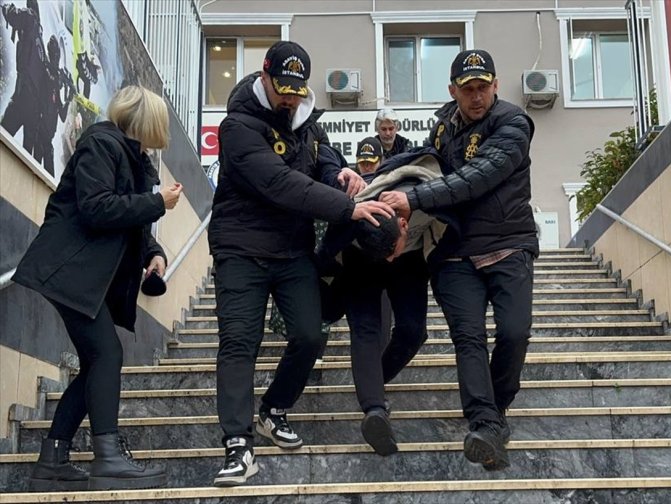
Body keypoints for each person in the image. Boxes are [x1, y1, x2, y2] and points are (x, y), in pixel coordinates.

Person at [208, 40, 392, 487]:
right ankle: (238, 445)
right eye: (282, 88)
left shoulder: (307, 120)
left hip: (292, 249)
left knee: (310, 334)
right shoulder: (236, 126)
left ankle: (273, 409)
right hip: (241, 248)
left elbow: (321, 160)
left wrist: (342, 174)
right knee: (239, 342)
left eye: (296, 89)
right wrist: (345, 208)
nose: (289, 98)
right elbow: (278, 182)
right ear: (264, 77)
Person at [12, 85, 182, 491]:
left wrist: (153, 253)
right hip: (69, 270)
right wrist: (158, 202)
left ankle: (52, 459)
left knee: (97, 362)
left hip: (85, 275)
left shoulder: (134, 159)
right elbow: (97, 207)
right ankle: (107, 457)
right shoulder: (101, 144)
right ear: (146, 121)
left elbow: (132, 221)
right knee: (107, 354)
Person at [380, 49, 538, 471]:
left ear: (496, 85)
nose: (475, 97)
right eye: (467, 89)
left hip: (509, 245)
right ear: (453, 90)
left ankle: (495, 414)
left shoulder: (513, 124)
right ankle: (483, 421)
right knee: (467, 338)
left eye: (482, 87)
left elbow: (478, 175)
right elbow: (416, 163)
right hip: (454, 254)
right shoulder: (443, 128)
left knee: (514, 332)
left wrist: (411, 199)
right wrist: (373, 178)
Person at [318, 152, 453, 456]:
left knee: (413, 331)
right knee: (365, 328)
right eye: (387, 256)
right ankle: (374, 410)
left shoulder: (431, 199)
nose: (389, 260)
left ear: (405, 224)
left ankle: (372, 382)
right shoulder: (353, 221)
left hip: (412, 257)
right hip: (361, 256)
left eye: (391, 252)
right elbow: (327, 248)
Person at [0, 0, 47, 152]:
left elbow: (13, 16)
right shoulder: (40, 39)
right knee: (26, 156)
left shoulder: (30, 16)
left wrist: (6, 7)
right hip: (34, 107)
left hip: (23, 96)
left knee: (3, 135)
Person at [34, 34, 76, 176]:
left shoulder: (56, 89)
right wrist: (60, 78)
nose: (56, 58)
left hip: (47, 137)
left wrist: (69, 97)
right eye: (54, 54)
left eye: (57, 55)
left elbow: (63, 116)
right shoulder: (45, 69)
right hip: (39, 132)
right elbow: (49, 80)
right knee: (33, 167)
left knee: (47, 176)